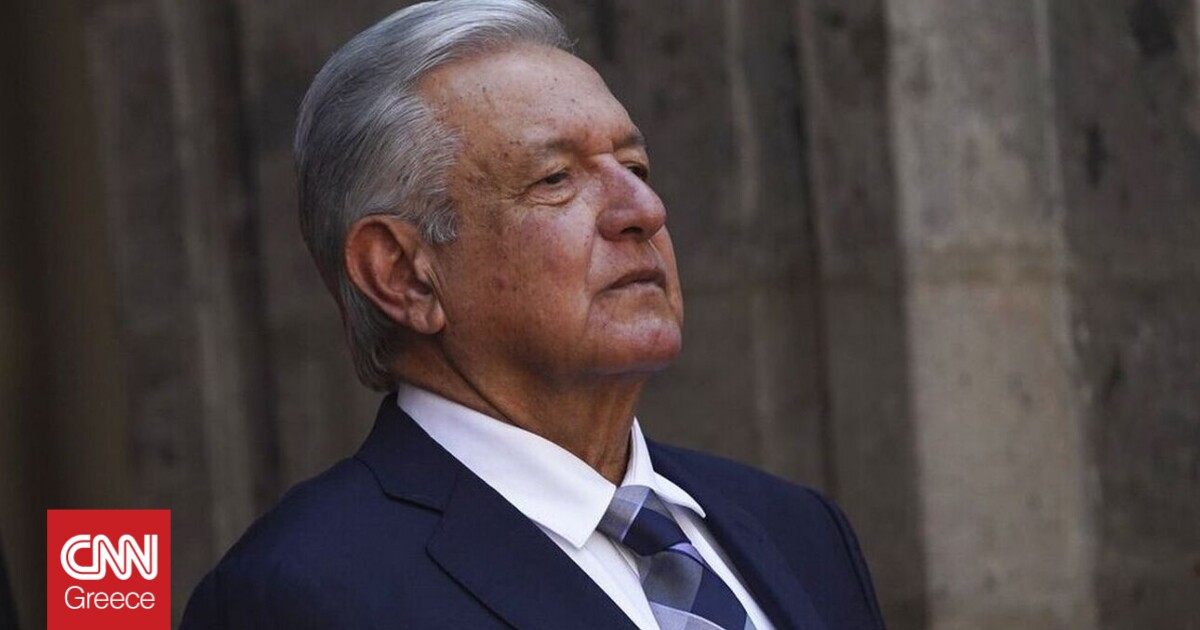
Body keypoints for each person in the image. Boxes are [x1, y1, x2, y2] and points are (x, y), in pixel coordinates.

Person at [181, 1, 885, 628]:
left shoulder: (798, 529)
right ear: (403, 274)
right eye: (556, 179)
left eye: (635, 167)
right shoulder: (300, 595)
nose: (644, 211)